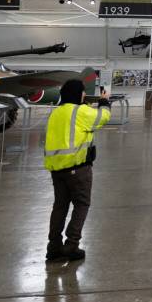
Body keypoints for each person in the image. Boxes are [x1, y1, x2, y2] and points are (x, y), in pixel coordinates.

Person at [44, 78, 111, 261]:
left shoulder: (56, 113)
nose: (84, 95)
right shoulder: (80, 112)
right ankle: (71, 245)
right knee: (81, 205)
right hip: (78, 169)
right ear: (78, 94)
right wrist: (104, 102)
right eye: (82, 92)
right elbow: (103, 117)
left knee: (60, 206)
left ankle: (53, 247)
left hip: (57, 169)